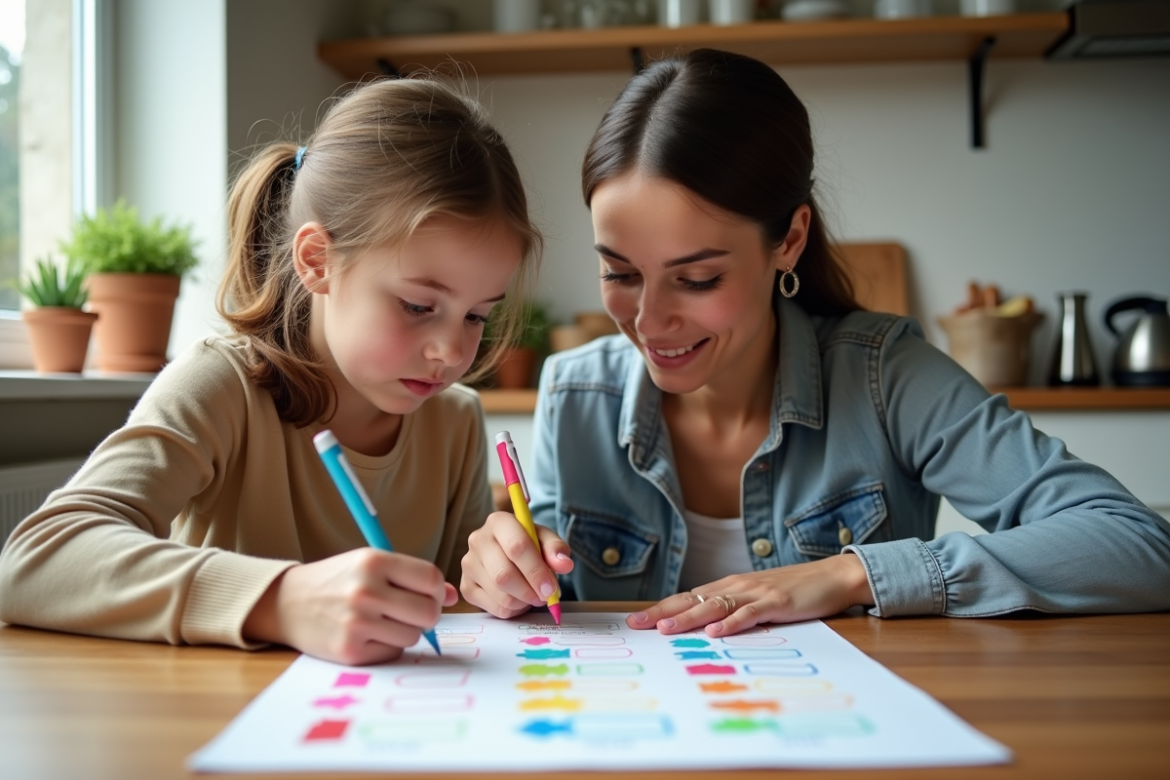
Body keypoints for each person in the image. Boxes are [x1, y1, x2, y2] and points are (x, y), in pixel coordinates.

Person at [460, 48, 1170, 637]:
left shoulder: (886, 376)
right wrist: (506, 573)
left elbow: (1137, 545)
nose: (649, 319)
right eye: (618, 271)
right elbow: (545, 591)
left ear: (789, 240)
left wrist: (847, 574)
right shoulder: (575, 392)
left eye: (698, 278)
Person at [0, 77, 540, 665]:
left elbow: (460, 604)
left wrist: (500, 576)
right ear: (318, 261)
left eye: (478, 315)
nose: (450, 353)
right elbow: (34, 560)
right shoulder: (222, 388)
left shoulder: (454, 417)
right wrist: (281, 600)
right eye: (417, 306)